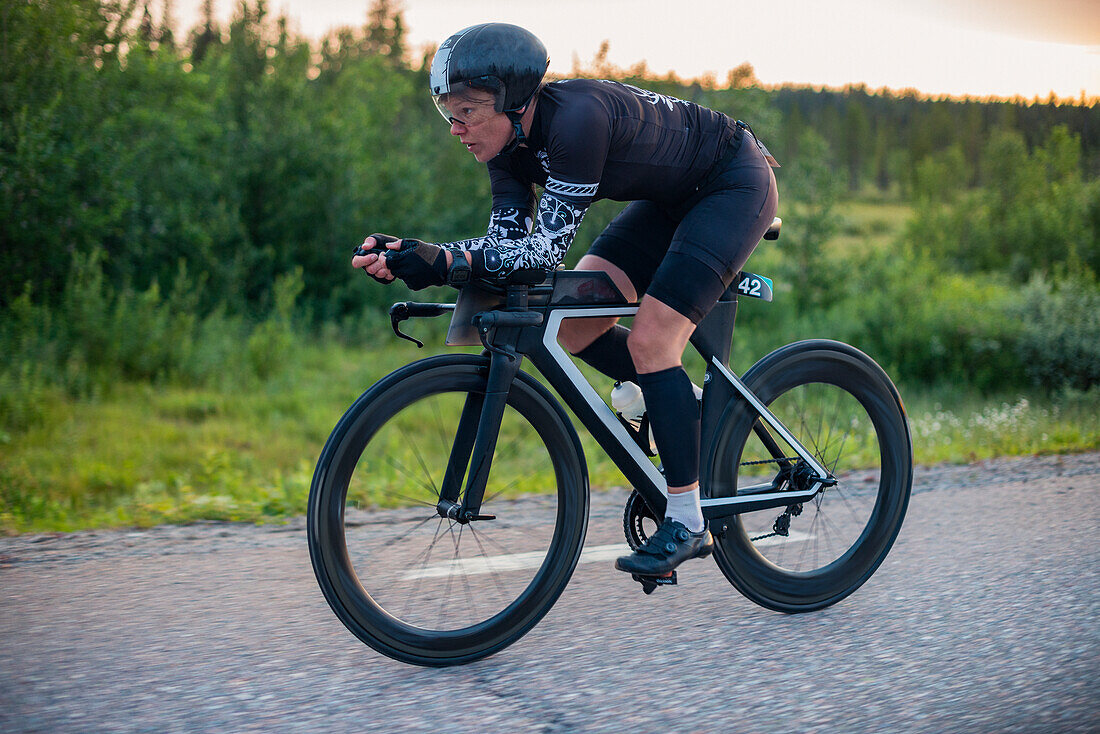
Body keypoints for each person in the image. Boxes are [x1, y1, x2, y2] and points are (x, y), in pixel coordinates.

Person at [352, 22, 778, 578]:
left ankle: (688, 519)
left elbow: (541, 253)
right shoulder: (507, 149)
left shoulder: (577, 121)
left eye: (467, 112)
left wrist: (444, 261)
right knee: (576, 328)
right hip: (670, 199)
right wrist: (423, 257)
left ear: (513, 100)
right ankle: (681, 405)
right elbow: (505, 245)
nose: (455, 128)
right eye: (446, 113)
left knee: (654, 339)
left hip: (732, 183)